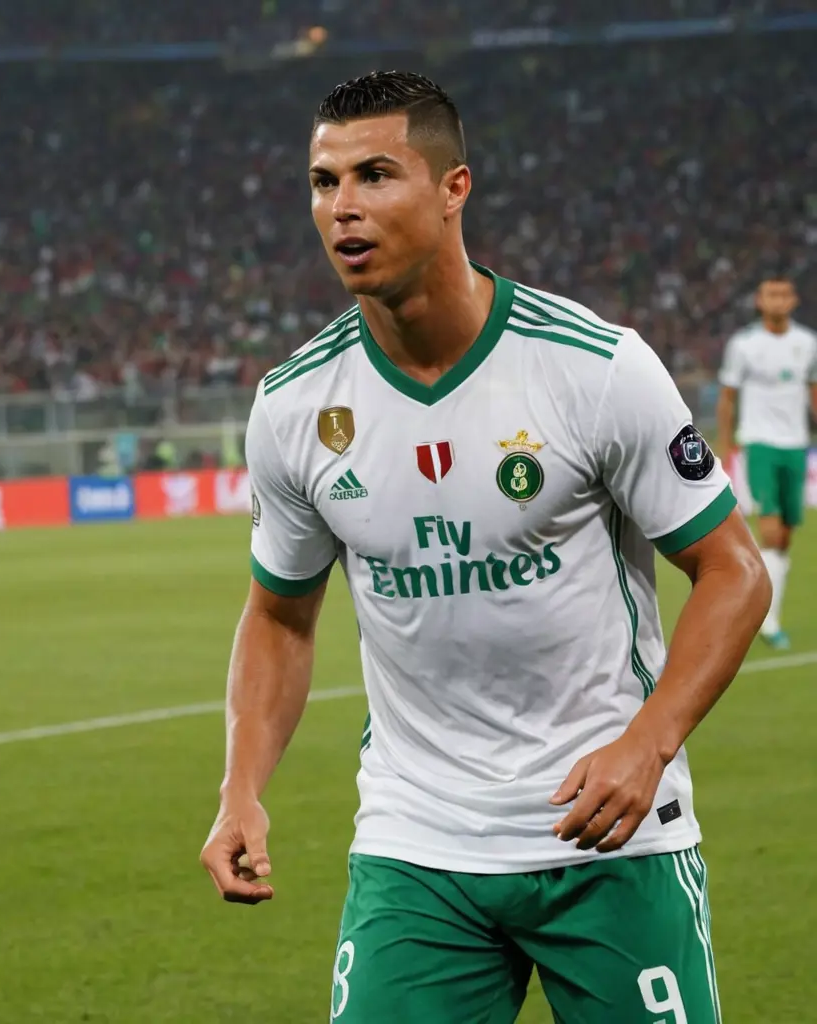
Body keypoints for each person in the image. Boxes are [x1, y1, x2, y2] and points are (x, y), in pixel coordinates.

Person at [200, 72, 772, 1024]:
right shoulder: (295, 406)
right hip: (418, 845)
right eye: (323, 181)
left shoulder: (594, 368)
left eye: (376, 175)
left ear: (453, 188)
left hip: (609, 836)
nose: (342, 207)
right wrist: (241, 790)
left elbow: (733, 571)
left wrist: (649, 742)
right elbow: (278, 618)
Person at [717, 275, 817, 651]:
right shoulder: (743, 345)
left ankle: (767, 612)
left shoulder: (807, 343)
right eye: (770, 294)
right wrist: (726, 448)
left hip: (796, 446)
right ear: (759, 301)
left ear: (793, 300)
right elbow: (727, 398)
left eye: (784, 294)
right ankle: (765, 620)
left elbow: (813, 392)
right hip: (759, 444)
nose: (777, 300)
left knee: (785, 538)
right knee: (771, 533)